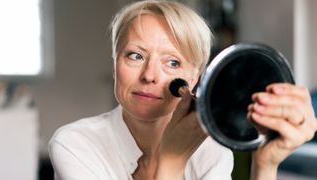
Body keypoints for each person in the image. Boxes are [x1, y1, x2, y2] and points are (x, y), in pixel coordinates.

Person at [49, 1, 317, 180]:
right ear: (114, 61)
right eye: (135, 56)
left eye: (173, 62)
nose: (150, 76)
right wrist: (170, 164)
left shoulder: (212, 150)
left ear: (195, 76)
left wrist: (266, 165)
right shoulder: (74, 143)